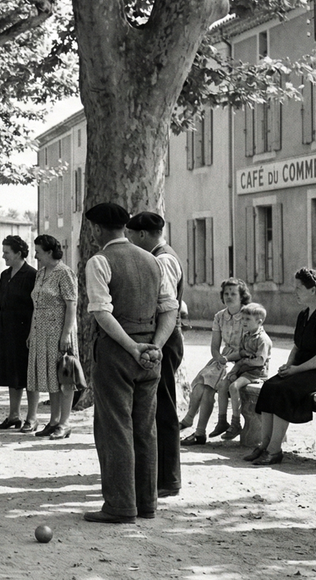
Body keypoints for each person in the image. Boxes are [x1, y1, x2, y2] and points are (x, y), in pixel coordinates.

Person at [81, 203, 178, 524]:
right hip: (150, 354)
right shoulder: (153, 260)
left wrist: (132, 347)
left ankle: (120, 505)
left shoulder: (100, 261)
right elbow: (169, 308)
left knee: (115, 428)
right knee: (144, 429)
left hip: (117, 353)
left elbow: (101, 312)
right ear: (125, 227)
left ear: (96, 229)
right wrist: (155, 347)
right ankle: (145, 503)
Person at [125, 211, 184, 498]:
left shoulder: (163, 260)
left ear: (142, 235)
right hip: (162, 338)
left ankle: (168, 478)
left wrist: (157, 345)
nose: (129, 242)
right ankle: (158, 474)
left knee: (164, 408)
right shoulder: (161, 255)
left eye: (131, 236)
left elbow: (168, 307)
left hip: (166, 339)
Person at [246, 267, 316, 465]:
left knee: (283, 390)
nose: (295, 292)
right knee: (270, 386)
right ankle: (264, 444)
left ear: (312, 289)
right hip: (302, 368)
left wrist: (297, 370)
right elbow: (297, 347)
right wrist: (288, 366)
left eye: (299, 288)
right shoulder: (304, 314)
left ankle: (275, 451)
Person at [180, 278, 249, 444]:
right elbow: (214, 346)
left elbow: (249, 347)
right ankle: (195, 427)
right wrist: (218, 357)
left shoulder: (248, 315)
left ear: (241, 296)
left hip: (242, 360)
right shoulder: (220, 316)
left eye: (234, 293)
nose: (229, 297)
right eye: (226, 293)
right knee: (202, 384)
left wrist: (227, 358)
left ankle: (197, 429)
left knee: (209, 385)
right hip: (222, 359)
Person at [25, 235, 77, 440]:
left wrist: (66, 334)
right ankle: (53, 420)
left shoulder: (65, 273)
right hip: (41, 332)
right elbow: (36, 305)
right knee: (49, 377)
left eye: (38, 251)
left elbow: (72, 304)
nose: (35, 255)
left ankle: (65, 423)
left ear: (48, 252)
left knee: (64, 377)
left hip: (58, 331)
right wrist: (31, 331)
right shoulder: (41, 273)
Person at [0, 235, 38, 431]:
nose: (3, 256)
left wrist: (32, 331)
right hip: (6, 328)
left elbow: (36, 305)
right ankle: (13, 415)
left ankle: (32, 418)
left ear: (18, 253)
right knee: (12, 372)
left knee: (28, 374)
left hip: (24, 329)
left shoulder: (32, 275)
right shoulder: (4, 275)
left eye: (7, 253)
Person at [216, 303, 272, 441]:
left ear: (259, 322)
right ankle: (222, 421)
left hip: (255, 372)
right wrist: (228, 359)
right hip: (244, 369)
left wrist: (244, 362)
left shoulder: (262, 340)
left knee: (233, 387)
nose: (243, 322)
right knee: (222, 385)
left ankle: (236, 423)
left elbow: (259, 361)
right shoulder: (247, 336)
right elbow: (240, 354)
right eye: (243, 319)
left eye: (247, 319)